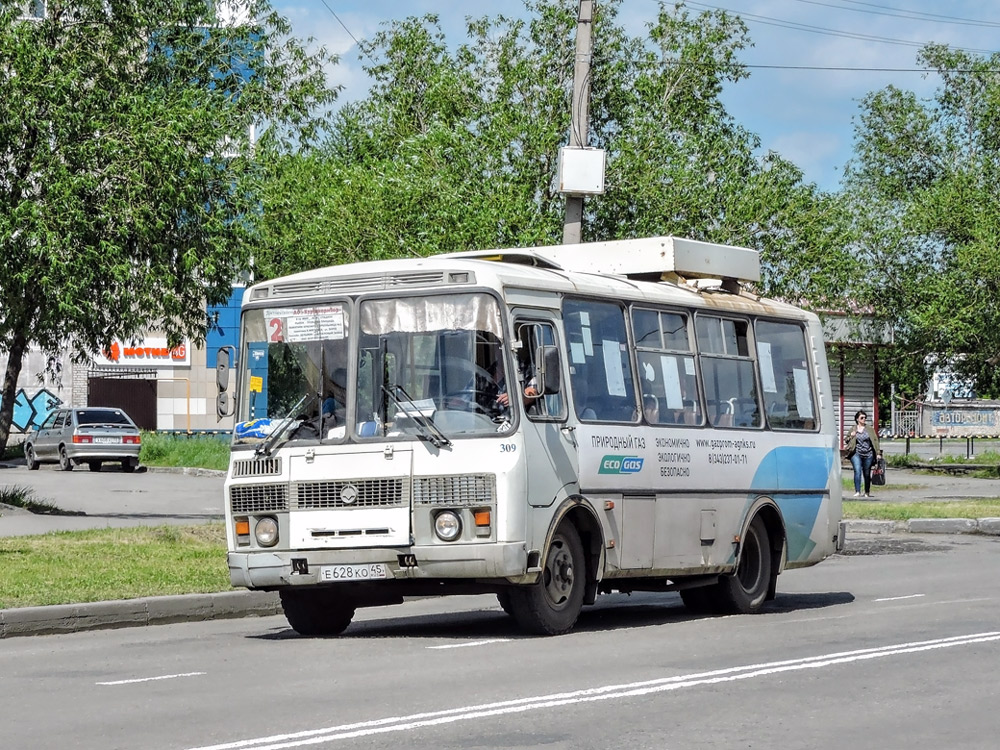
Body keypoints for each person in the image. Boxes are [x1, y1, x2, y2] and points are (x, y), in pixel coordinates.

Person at [845, 409, 881, 497]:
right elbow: (846, 440)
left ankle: (867, 492)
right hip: (856, 453)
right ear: (857, 419)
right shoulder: (853, 429)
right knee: (857, 471)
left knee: (867, 473)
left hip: (868, 454)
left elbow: (875, 441)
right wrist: (851, 436)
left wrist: (878, 453)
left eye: (865, 418)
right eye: (862, 418)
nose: (864, 419)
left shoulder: (869, 429)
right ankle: (857, 491)